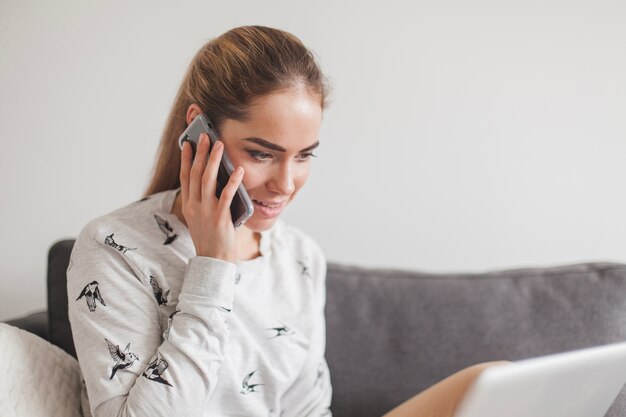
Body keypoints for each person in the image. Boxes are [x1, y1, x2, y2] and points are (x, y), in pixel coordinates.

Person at [67, 25, 506, 417]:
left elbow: (308, 408)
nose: (286, 184)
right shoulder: (114, 247)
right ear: (200, 133)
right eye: (262, 153)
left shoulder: (299, 256)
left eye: (304, 156)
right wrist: (214, 268)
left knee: (492, 382)